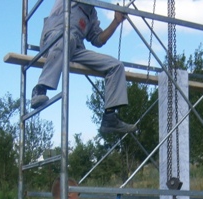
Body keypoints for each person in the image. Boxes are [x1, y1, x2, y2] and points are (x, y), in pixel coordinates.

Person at [30, 0, 136, 134]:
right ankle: (40, 89)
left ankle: (110, 118)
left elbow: (99, 40)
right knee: (68, 38)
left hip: (75, 48)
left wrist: (116, 21)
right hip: (54, 39)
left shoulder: (91, 13)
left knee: (116, 66)